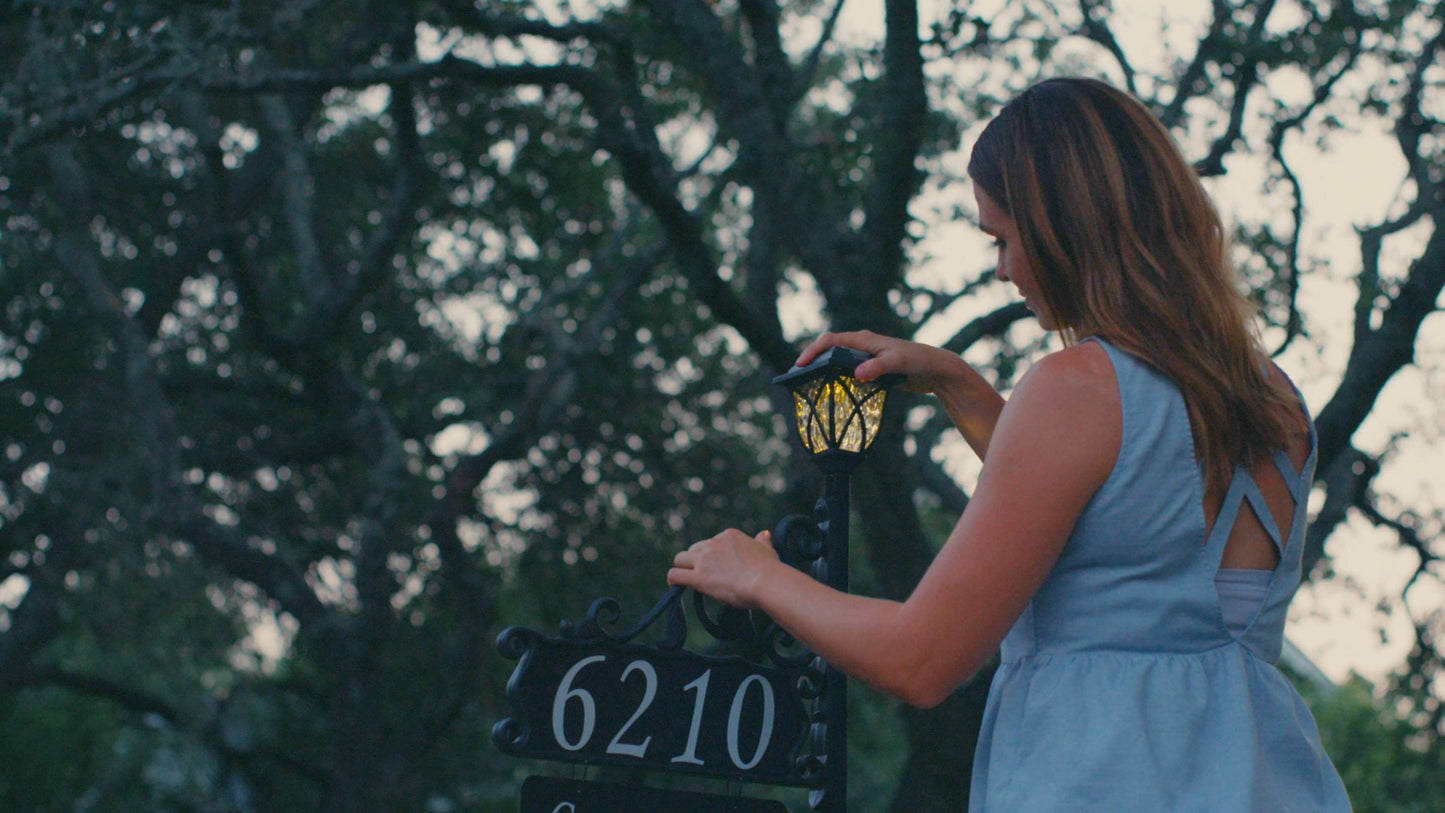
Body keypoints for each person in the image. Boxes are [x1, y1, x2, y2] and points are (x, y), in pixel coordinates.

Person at [667, 77, 1352, 810]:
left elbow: (920, 657)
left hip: (1102, 780)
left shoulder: (1074, 387)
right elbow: (1128, 515)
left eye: (1003, 238)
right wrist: (961, 386)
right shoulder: (1274, 398)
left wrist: (759, 575)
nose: (1002, 269)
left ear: (1065, 227)